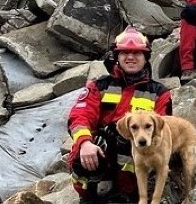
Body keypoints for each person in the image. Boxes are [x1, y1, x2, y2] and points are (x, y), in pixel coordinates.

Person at [68, 26, 172, 203]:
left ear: (146, 57)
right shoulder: (99, 85)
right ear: (116, 56)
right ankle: (89, 196)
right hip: (104, 154)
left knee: (129, 138)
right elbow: (80, 115)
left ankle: (128, 192)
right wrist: (85, 143)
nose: (130, 57)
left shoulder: (159, 93)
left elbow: (162, 132)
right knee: (87, 148)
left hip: (139, 159)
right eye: (124, 53)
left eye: (136, 53)